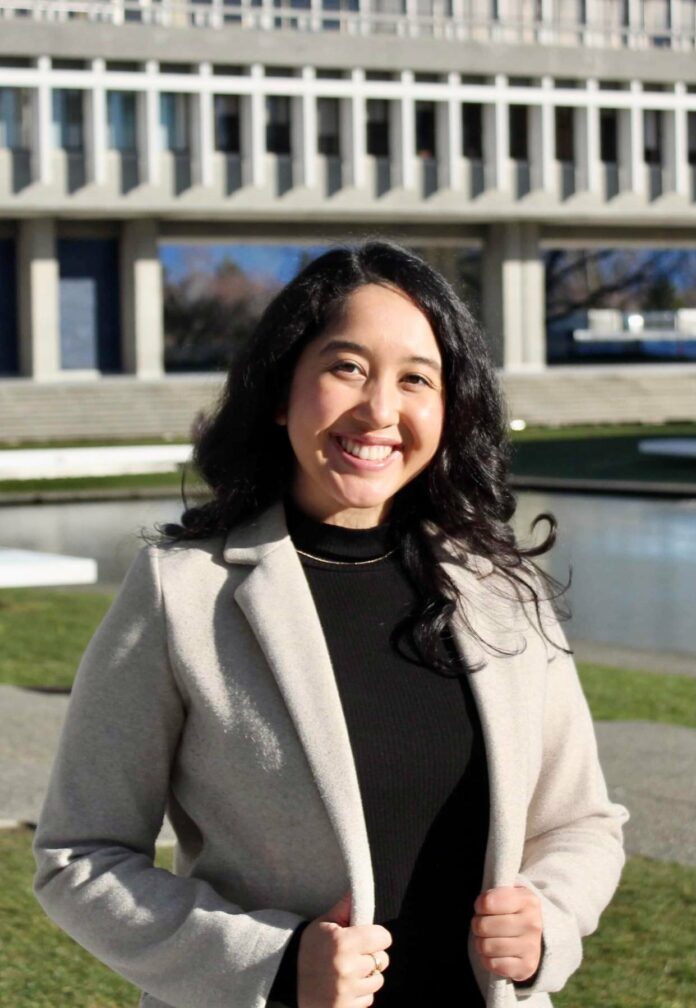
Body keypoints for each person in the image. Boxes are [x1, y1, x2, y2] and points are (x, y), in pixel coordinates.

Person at [34, 240, 628, 1008]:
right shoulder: (182, 593)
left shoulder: (504, 592)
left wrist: (549, 918)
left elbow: (581, 821)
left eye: (416, 378)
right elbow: (80, 856)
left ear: (449, 409)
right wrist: (273, 967)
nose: (380, 409)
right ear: (282, 391)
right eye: (346, 367)